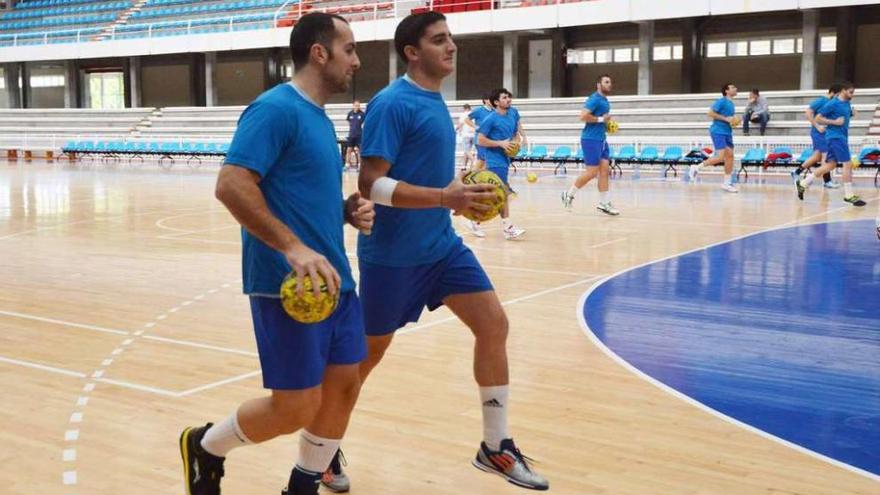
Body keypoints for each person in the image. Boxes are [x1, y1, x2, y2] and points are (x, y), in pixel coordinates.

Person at [321, 11, 550, 492]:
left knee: (493, 324)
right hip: (393, 257)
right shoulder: (391, 104)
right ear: (412, 51)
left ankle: (494, 446)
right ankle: (320, 448)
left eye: (451, 39)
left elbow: (425, 178)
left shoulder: (436, 103)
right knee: (365, 358)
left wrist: (460, 195)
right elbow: (371, 184)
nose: (452, 47)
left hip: (442, 246)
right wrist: (446, 197)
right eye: (439, 40)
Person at [178, 13, 375, 495]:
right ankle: (206, 446)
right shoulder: (274, 110)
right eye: (348, 49)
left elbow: (299, 193)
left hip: (336, 279)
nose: (356, 60)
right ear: (319, 53)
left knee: (345, 385)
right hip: (288, 286)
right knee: (294, 408)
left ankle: (303, 485)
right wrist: (291, 246)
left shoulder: (317, 117)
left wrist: (343, 211)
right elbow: (231, 184)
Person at [796, 81, 865, 207]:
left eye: (853, 92)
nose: (852, 95)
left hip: (841, 137)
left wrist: (852, 114)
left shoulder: (847, 103)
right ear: (843, 90)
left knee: (830, 165)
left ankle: (803, 183)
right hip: (835, 137)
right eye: (850, 92)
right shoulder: (832, 103)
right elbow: (818, 118)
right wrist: (835, 122)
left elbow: (844, 115)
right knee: (847, 164)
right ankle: (849, 195)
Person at [561, 73, 620, 215]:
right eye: (606, 82)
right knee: (592, 172)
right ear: (599, 85)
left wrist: (608, 125)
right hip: (591, 140)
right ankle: (568, 194)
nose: (609, 84)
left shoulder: (605, 101)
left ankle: (604, 203)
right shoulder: (594, 99)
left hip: (602, 139)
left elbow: (602, 120)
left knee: (605, 171)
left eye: (610, 82)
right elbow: (583, 116)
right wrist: (601, 120)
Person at [476, 88, 527, 240]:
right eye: (505, 98)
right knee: (502, 192)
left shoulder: (513, 112)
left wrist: (519, 140)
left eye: (509, 97)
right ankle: (508, 228)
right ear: (496, 102)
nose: (509, 100)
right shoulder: (490, 119)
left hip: (505, 158)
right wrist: (500, 144)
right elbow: (480, 139)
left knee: (494, 195)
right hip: (494, 159)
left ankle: (474, 220)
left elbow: (515, 131)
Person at [688, 83, 740, 193]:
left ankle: (727, 183)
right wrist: (726, 119)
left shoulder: (732, 104)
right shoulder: (722, 101)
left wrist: (734, 122)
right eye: (733, 87)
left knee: (730, 156)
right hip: (718, 131)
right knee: (720, 157)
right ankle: (696, 167)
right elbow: (710, 113)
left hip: (727, 132)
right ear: (726, 91)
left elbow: (730, 120)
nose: (736, 89)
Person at [790, 84, 842, 188]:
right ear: (833, 93)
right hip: (819, 133)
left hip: (826, 134)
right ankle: (827, 181)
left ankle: (796, 172)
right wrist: (817, 126)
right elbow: (808, 112)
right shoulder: (821, 101)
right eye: (838, 95)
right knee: (825, 156)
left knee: (816, 156)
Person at [466, 93, 495, 170]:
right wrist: (475, 127)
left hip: (490, 140)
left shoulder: (494, 111)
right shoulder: (479, 110)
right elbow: (467, 119)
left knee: (484, 161)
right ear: (485, 100)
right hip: (480, 140)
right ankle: (474, 176)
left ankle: (477, 177)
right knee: (484, 159)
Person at [456, 103, 476, 171]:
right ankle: (463, 166)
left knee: (466, 150)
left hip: (466, 135)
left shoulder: (463, 114)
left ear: (464, 108)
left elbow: (460, 124)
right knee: (467, 152)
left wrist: (456, 129)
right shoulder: (474, 114)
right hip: (474, 134)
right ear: (470, 108)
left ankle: (474, 161)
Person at [345, 99, 365, 168]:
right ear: (353, 106)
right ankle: (347, 164)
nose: (357, 107)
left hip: (359, 135)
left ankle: (359, 164)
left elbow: (364, 123)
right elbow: (349, 122)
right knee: (349, 150)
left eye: (358, 106)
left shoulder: (362, 114)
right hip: (351, 135)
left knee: (359, 150)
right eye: (356, 105)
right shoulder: (350, 113)